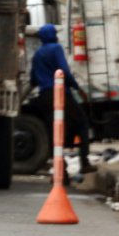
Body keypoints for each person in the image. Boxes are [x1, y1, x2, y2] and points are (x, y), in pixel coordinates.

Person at [29, 24, 93, 178]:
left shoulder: (37, 54)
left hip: (44, 96)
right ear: (53, 35)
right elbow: (64, 71)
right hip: (60, 93)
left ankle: (60, 169)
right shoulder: (56, 48)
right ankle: (84, 162)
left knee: (54, 132)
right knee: (82, 124)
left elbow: (33, 79)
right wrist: (76, 87)